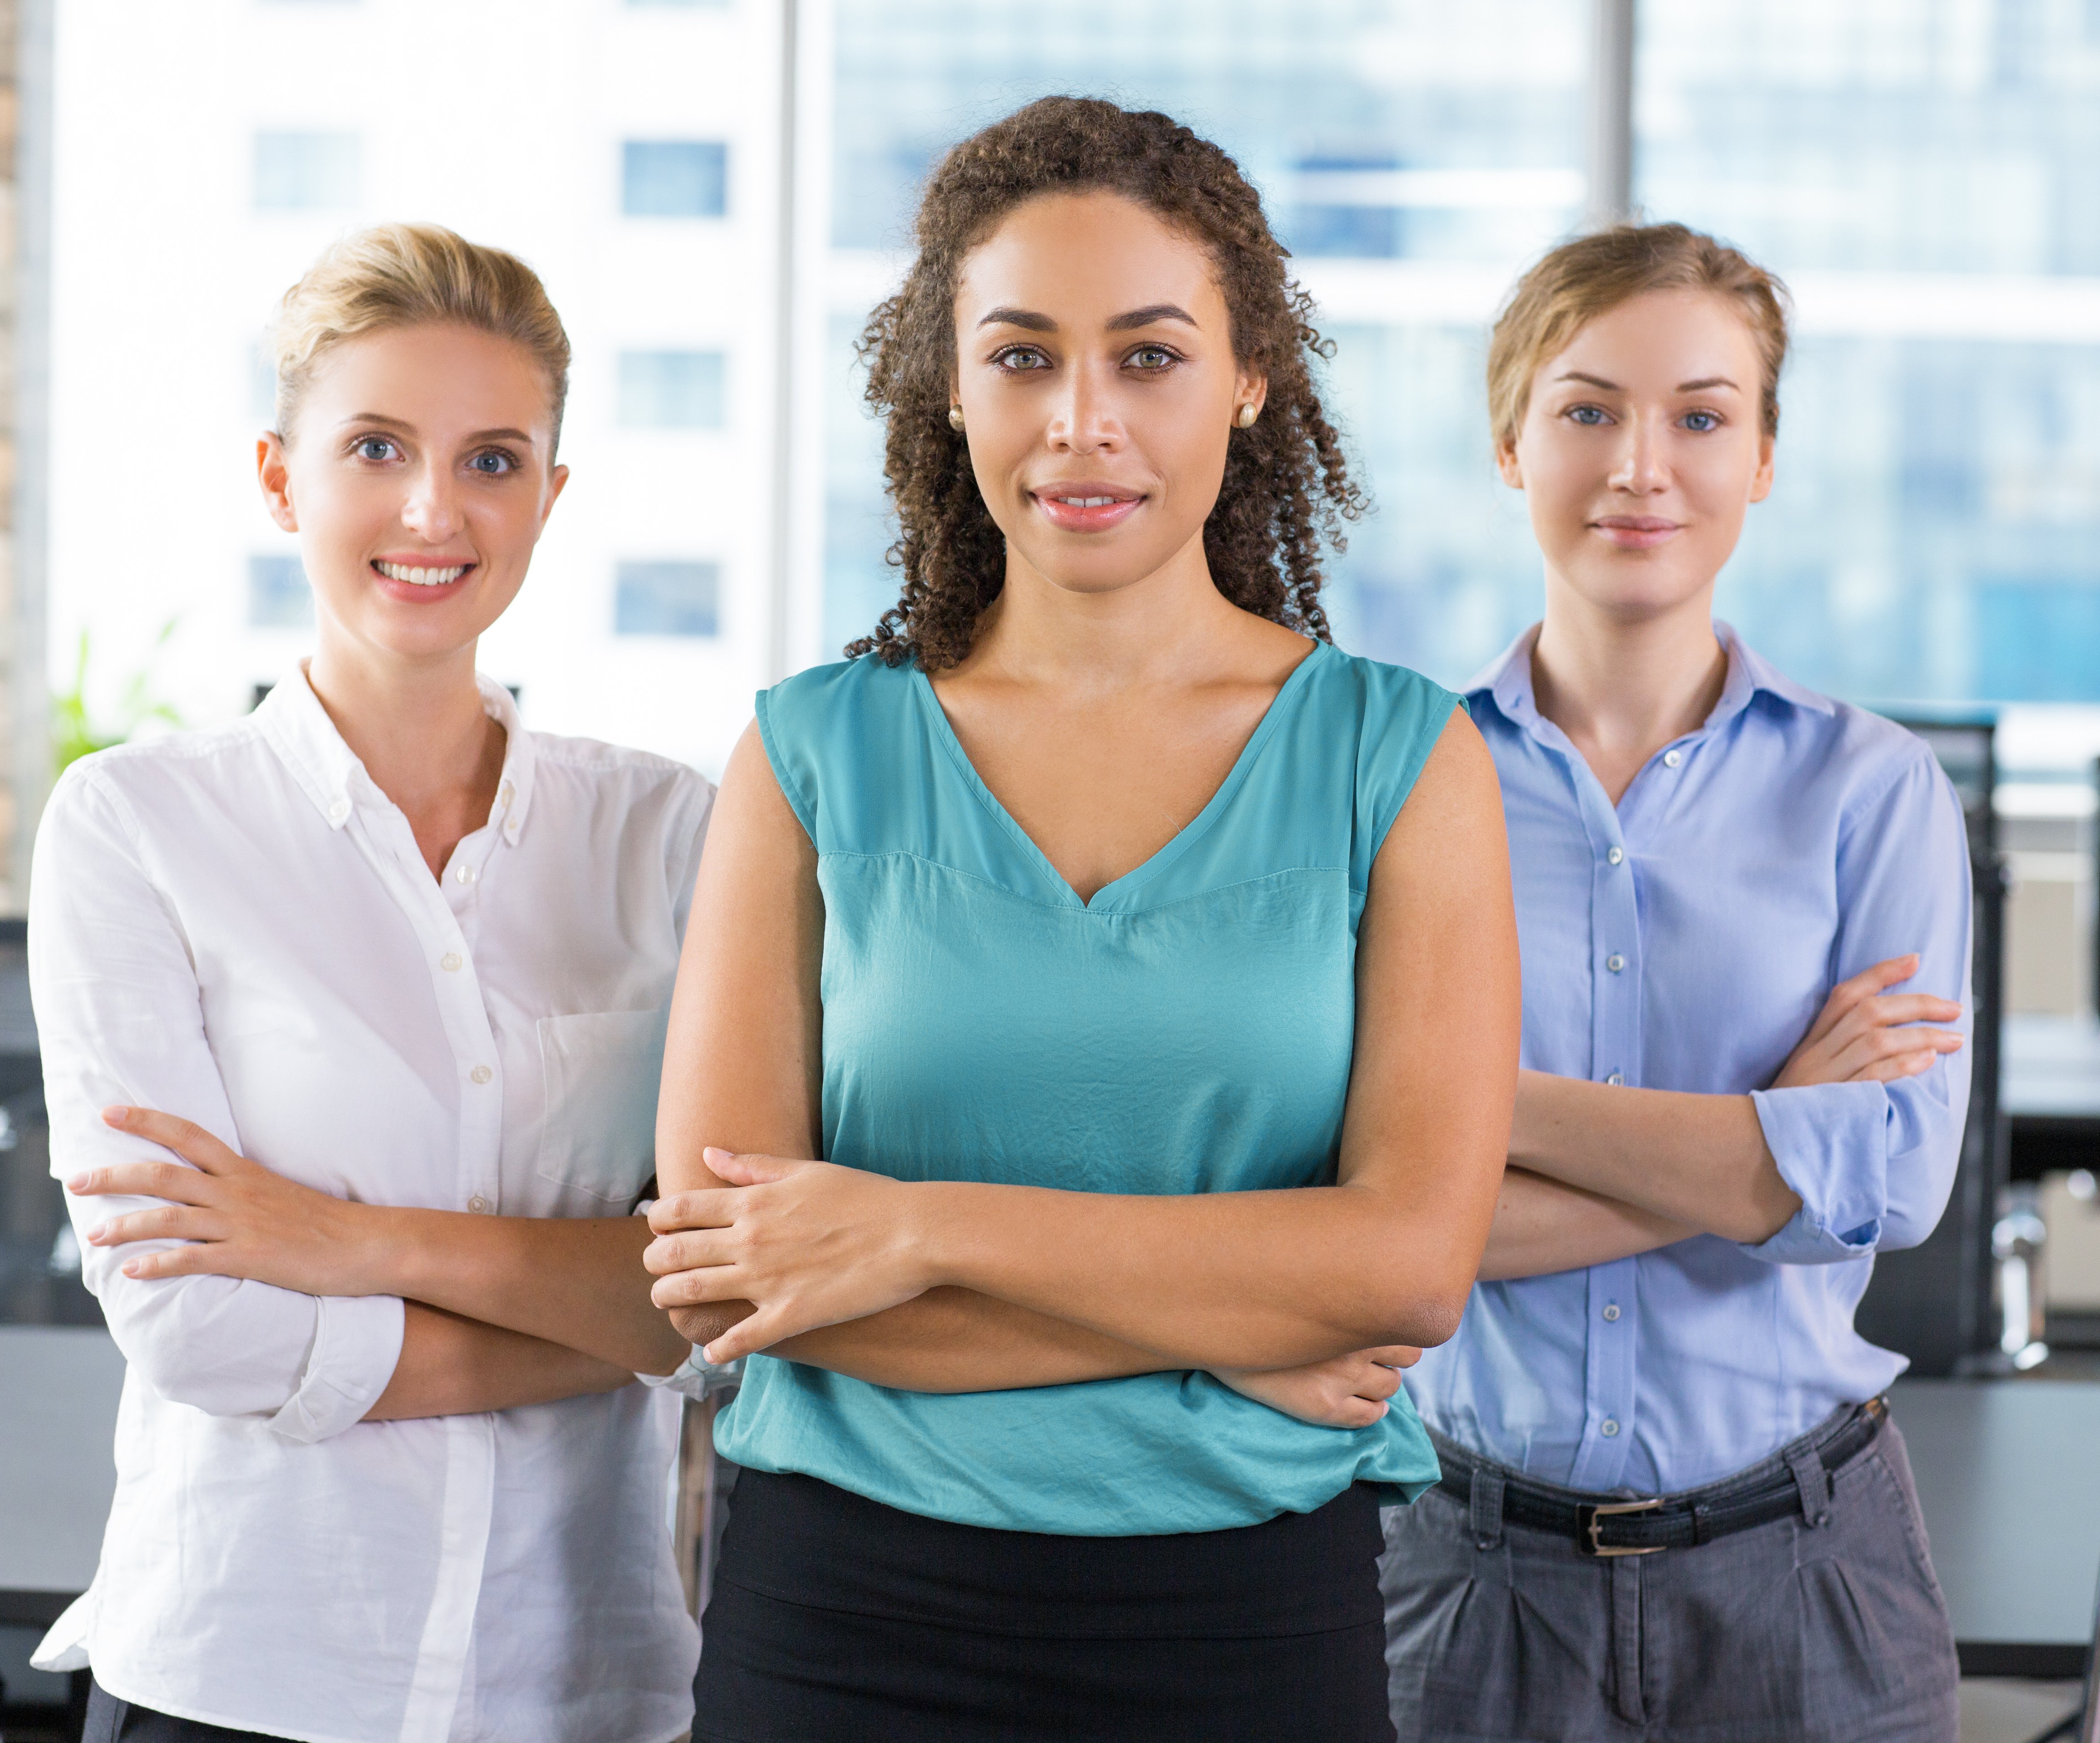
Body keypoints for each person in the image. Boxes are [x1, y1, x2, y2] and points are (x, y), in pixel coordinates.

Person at [632, 96, 1519, 1743]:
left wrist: (915, 1232)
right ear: (951, 383)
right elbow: (731, 1281)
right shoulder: (812, 754)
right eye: (1023, 356)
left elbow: (1404, 1266)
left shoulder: (1401, 759)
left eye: (1150, 357)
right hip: (846, 1621)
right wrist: (1226, 1337)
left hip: (1252, 1620)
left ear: (1251, 378)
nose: (1082, 422)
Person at [29, 222, 710, 1743]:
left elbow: (719, 1300)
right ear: (282, 478)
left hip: (579, 1683)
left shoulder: (668, 833)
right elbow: (208, 1334)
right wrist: (607, 1315)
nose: (431, 508)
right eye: (378, 447)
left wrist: (339, 1241)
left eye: (491, 459)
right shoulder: (139, 828)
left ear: (549, 493)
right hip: (243, 1673)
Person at [1381, 222, 1970, 1743]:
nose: (1643, 465)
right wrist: (1770, 1136)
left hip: (1809, 1567)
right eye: (1588, 411)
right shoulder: (1397, 785)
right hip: (1466, 1575)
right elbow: (1374, 1220)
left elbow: (1892, 1182)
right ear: (1511, 443)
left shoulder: (1872, 789)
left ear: (1764, 457)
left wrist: (1480, 1109)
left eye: (1701, 417)